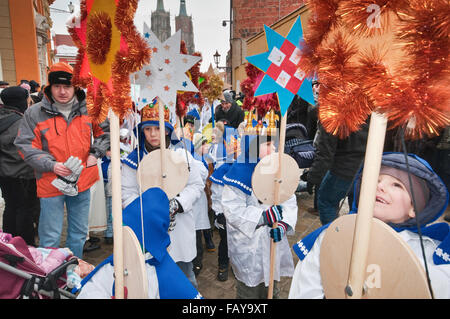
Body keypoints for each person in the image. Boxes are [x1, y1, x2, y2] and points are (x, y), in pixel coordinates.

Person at [289, 152, 450, 299]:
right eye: (376, 180)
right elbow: (305, 287)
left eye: (397, 185)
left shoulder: (428, 255)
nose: (380, 187)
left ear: (414, 208)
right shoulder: (334, 236)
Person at [14, 62, 110, 258]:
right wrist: (52, 165)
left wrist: (95, 153)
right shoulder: (35, 113)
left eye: (67, 86)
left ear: (75, 87)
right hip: (50, 183)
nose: (62, 91)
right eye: (57, 86)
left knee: (79, 234)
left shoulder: (89, 109)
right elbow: (25, 145)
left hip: (82, 181)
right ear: (50, 87)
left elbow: (106, 132)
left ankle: (73, 273)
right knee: (50, 236)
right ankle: (51, 278)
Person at [121, 100, 204, 289]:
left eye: (157, 128)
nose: (152, 134)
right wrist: (152, 211)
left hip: (179, 230)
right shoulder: (132, 162)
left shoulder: (182, 156)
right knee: (152, 282)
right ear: (142, 131)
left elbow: (196, 185)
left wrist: (177, 204)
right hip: (147, 230)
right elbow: (127, 193)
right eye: (148, 129)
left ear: (166, 130)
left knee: (185, 279)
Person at [75, 187, 202, 299]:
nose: (120, 237)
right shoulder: (116, 262)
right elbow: (95, 288)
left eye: (128, 232)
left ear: (147, 237)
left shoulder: (166, 277)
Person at [221, 132, 298, 299]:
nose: (274, 148)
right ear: (253, 147)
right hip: (249, 247)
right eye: (268, 144)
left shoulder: (277, 171)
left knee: (272, 287)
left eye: (274, 144)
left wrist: (284, 224)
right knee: (249, 291)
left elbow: (289, 199)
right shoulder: (239, 173)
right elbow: (232, 209)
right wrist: (262, 217)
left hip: (272, 242)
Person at [306, 118, 369, 225]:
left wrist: (313, 177)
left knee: (327, 202)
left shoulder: (333, 111)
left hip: (344, 170)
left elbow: (325, 153)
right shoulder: (371, 108)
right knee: (357, 208)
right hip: (364, 170)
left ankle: (335, 236)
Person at [0, 86, 40, 246]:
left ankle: (8, 243)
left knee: (10, 207)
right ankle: (25, 245)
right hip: (24, 174)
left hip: (4, 175)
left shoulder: (2, 117)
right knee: (25, 210)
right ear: (21, 101)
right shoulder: (22, 122)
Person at [208, 124, 240, 281]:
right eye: (231, 144)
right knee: (225, 241)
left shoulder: (244, 168)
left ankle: (236, 265)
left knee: (239, 241)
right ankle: (223, 265)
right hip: (224, 214)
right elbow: (216, 194)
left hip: (240, 215)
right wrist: (219, 213)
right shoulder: (221, 170)